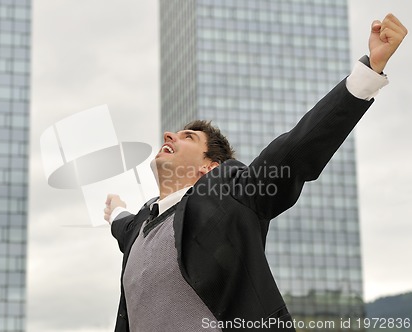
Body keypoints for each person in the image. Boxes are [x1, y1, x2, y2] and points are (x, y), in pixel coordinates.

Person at [103, 14, 407, 332]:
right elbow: (121, 224)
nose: (169, 135)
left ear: (210, 168)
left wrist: (368, 72)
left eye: (187, 137)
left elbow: (296, 150)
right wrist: (115, 212)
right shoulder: (138, 226)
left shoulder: (228, 195)